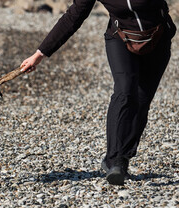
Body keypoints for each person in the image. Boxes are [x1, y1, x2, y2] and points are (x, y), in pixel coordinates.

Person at [20, 0, 177, 185]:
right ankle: (115, 161)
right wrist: (40, 54)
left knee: (142, 102)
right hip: (121, 37)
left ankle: (122, 157)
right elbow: (74, 15)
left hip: (157, 38)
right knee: (125, 90)